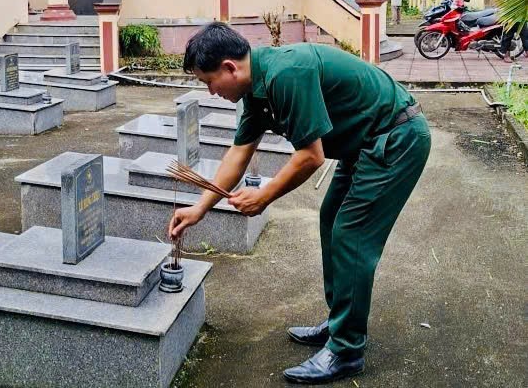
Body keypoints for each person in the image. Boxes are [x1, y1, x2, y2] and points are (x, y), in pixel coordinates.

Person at [169, 23, 431, 384]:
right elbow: (238, 154)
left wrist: (264, 196)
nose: (211, 92)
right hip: (364, 144)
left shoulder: (286, 73)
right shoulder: (256, 90)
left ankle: (346, 351)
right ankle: (341, 321)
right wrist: (200, 208)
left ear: (230, 67)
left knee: (351, 235)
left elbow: (311, 157)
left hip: (396, 137)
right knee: (331, 219)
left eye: (209, 82)